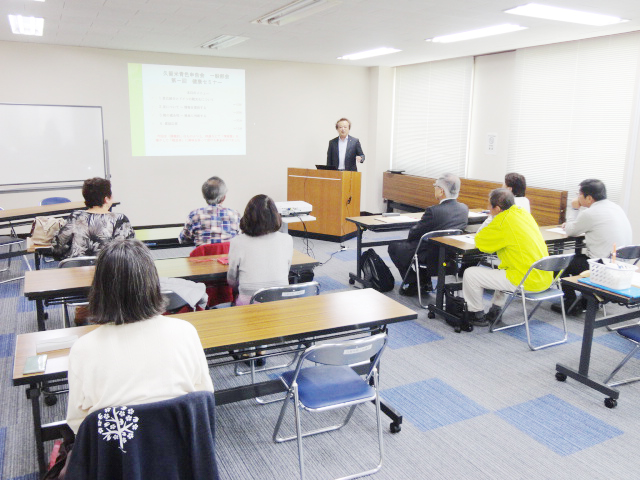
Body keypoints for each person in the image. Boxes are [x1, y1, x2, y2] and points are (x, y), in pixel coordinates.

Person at [66, 238, 214, 433]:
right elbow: (204, 396)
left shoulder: (83, 348)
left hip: (117, 450)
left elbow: (77, 423)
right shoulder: (186, 331)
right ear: (153, 282)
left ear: (100, 288)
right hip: (179, 445)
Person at [462, 188, 552, 326]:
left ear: (497, 208)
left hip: (526, 280)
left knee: (470, 274)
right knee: (503, 268)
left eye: (489, 205)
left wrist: (491, 218)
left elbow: (481, 242)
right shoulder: (524, 214)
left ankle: (476, 314)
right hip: (545, 277)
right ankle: (495, 310)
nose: (488, 208)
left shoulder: (502, 221)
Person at [552, 179, 632, 314]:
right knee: (577, 259)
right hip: (621, 267)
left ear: (589, 198)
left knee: (558, 262)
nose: (577, 197)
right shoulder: (616, 207)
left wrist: (574, 209)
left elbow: (571, 231)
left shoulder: (590, 213)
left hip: (602, 267)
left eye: (579, 194)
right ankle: (586, 301)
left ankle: (571, 303)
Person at [388, 173, 469, 296]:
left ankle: (415, 282)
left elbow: (414, 233)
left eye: (435, 186)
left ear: (441, 191)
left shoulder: (433, 211)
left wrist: (410, 240)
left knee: (394, 247)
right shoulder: (464, 208)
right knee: (414, 246)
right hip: (451, 255)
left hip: (430, 255)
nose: (434, 189)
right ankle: (425, 281)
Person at [227, 194, 293, 306]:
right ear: (275, 216)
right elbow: (286, 271)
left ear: (247, 217)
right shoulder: (287, 239)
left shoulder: (237, 242)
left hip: (250, 303)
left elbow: (232, 280)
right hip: (280, 302)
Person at [51, 177, 134, 260]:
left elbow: (58, 248)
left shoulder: (75, 217)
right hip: (107, 267)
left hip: (77, 267)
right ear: (106, 199)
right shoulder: (120, 219)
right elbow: (128, 253)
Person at [179, 176, 240, 246]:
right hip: (228, 253)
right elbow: (239, 238)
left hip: (203, 253)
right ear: (224, 197)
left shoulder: (194, 215)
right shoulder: (235, 215)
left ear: (204, 196)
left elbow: (183, 240)